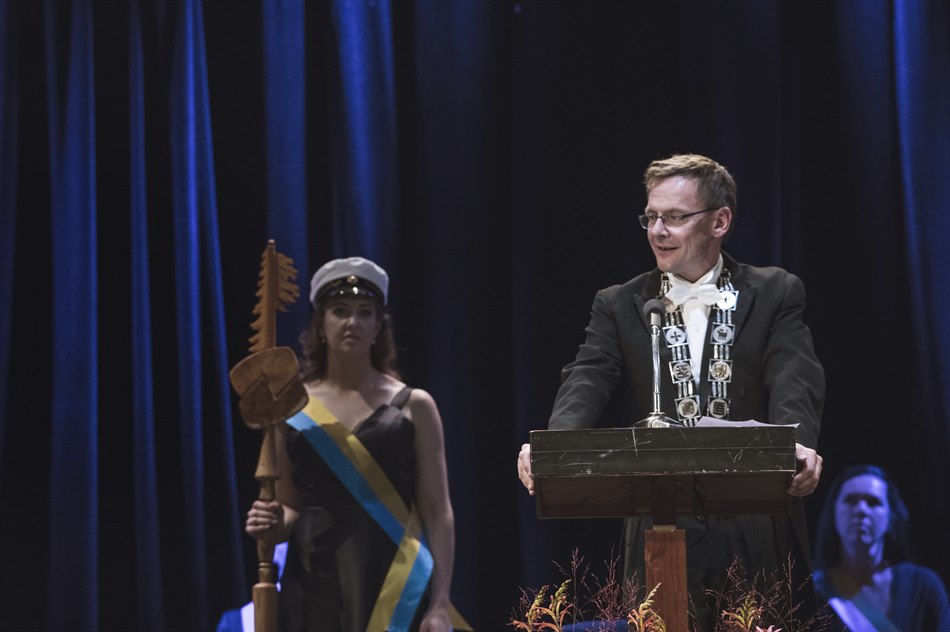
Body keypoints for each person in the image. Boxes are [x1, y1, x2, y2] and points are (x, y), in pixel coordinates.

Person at [516, 153, 825, 629]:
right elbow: (587, 377)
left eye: (675, 217)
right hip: (657, 518)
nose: (658, 231)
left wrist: (798, 444)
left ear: (720, 221)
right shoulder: (620, 302)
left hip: (752, 517)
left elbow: (794, 376)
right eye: (651, 217)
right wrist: (553, 446)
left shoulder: (775, 292)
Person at [245, 256, 470, 632]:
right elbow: (289, 507)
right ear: (321, 324)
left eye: (365, 312)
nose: (353, 322)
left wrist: (440, 603)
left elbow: (437, 511)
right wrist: (272, 521)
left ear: (378, 326)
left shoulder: (415, 405)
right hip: (313, 586)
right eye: (340, 311)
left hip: (397, 587)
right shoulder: (290, 408)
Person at [812, 464, 950, 631]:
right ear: (833, 512)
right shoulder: (815, 591)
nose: (861, 510)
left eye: (873, 502)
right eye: (850, 500)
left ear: (890, 517)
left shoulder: (923, 587)